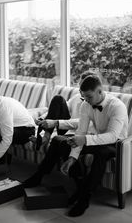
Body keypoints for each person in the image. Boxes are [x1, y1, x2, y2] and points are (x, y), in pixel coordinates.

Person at [23, 74, 128, 217]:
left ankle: (84, 199)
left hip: (117, 145)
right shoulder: (86, 104)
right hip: (95, 139)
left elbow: (113, 136)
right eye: (84, 97)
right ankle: (77, 184)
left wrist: (83, 140)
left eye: (89, 97)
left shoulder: (117, 106)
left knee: (101, 154)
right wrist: (72, 158)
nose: (86, 100)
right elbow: (81, 131)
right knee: (59, 141)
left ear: (100, 91)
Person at [30, 71, 97, 150]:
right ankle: (46, 137)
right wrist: (42, 118)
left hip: (80, 134)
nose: (80, 89)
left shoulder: (97, 103)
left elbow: (84, 122)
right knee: (58, 99)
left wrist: (57, 123)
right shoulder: (77, 97)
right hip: (67, 130)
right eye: (80, 86)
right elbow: (58, 108)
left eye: (83, 87)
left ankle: (45, 139)